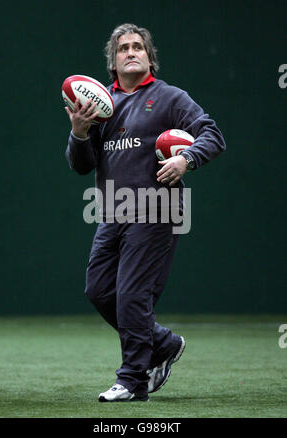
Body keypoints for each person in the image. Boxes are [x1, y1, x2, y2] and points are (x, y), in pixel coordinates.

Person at [65, 23, 226, 402]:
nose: (132, 52)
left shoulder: (169, 97)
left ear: (149, 57)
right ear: (114, 61)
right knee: (100, 290)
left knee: (132, 293)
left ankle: (133, 380)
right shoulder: (102, 106)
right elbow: (80, 166)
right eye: (124, 48)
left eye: (139, 46)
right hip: (112, 212)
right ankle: (163, 343)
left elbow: (212, 134)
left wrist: (187, 158)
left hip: (157, 208)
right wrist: (79, 132)